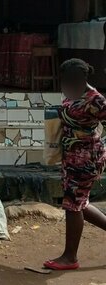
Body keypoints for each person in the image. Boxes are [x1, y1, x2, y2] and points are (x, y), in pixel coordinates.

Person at [44, 58, 106, 271]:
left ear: (81, 79)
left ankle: (70, 257)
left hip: (86, 158)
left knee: (73, 204)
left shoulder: (96, 100)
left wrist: (89, 140)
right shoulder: (75, 95)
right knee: (80, 202)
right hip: (71, 156)